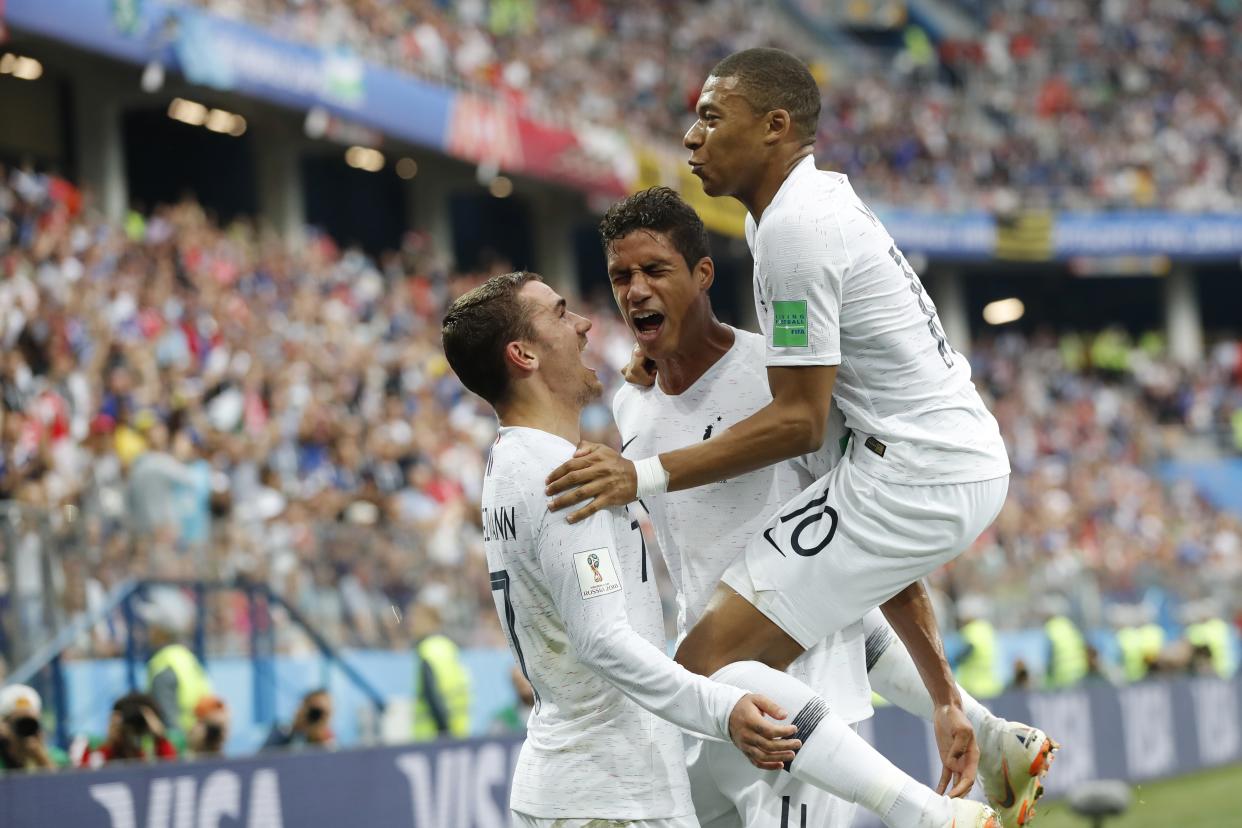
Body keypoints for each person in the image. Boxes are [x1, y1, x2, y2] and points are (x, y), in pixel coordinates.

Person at [545, 47, 1032, 828]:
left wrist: (645, 476)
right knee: (704, 682)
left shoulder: (795, 234)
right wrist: (947, 700)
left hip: (915, 472)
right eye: (619, 278)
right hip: (928, 463)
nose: (692, 138)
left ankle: (927, 814)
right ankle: (981, 735)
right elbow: (852, 563)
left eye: (711, 116)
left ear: (776, 127)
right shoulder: (792, 222)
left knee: (706, 669)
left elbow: (802, 422)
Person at [442, 272, 987, 828]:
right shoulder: (560, 476)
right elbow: (602, 641)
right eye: (559, 314)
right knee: (735, 677)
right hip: (606, 798)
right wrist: (722, 711)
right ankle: (927, 813)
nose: (583, 324)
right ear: (523, 354)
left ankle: (930, 805)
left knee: (744, 668)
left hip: (596, 780)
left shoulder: (516, 463)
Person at [141, 588, 213, 739]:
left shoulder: (163, 665)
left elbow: (170, 726)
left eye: (151, 627)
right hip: (198, 745)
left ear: (162, 630)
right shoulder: (188, 658)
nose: (147, 632)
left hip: (179, 751)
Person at [411, 601, 472, 741]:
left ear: (431, 621)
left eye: (416, 619)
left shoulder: (427, 650)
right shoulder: (449, 648)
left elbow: (432, 695)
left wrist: (444, 732)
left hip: (432, 738)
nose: (412, 624)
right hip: (459, 732)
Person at [78, 692, 178, 767]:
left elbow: (172, 768)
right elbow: (85, 773)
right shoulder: (108, 750)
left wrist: (160, 737)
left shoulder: (154, 748)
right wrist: (110, 742)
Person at [0, 684, 65, 773]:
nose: (26, 729)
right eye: (20, 723)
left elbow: (64, 784)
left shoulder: (58, 757)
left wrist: (41, 758)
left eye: (30, 723)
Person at [262, 688, 335, 751]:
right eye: (314, 712)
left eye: (320, 713)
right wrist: (295, 730)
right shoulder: (283, 732)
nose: (316, 717)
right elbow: (261, 760)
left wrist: (321, 738)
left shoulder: (329, 740)